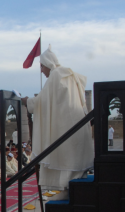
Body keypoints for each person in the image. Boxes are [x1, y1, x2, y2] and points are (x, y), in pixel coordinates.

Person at [21, 45, 93, 199]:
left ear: (47, 64)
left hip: (67, 127)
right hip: (74, 125)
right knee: (71, 158)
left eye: (41, 66)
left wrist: (28, 101)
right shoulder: (68, 74)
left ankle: (68, 189)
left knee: (66, 157)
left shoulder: (56, 75)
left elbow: (41, 101)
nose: (41, 70)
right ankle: (69, 190)